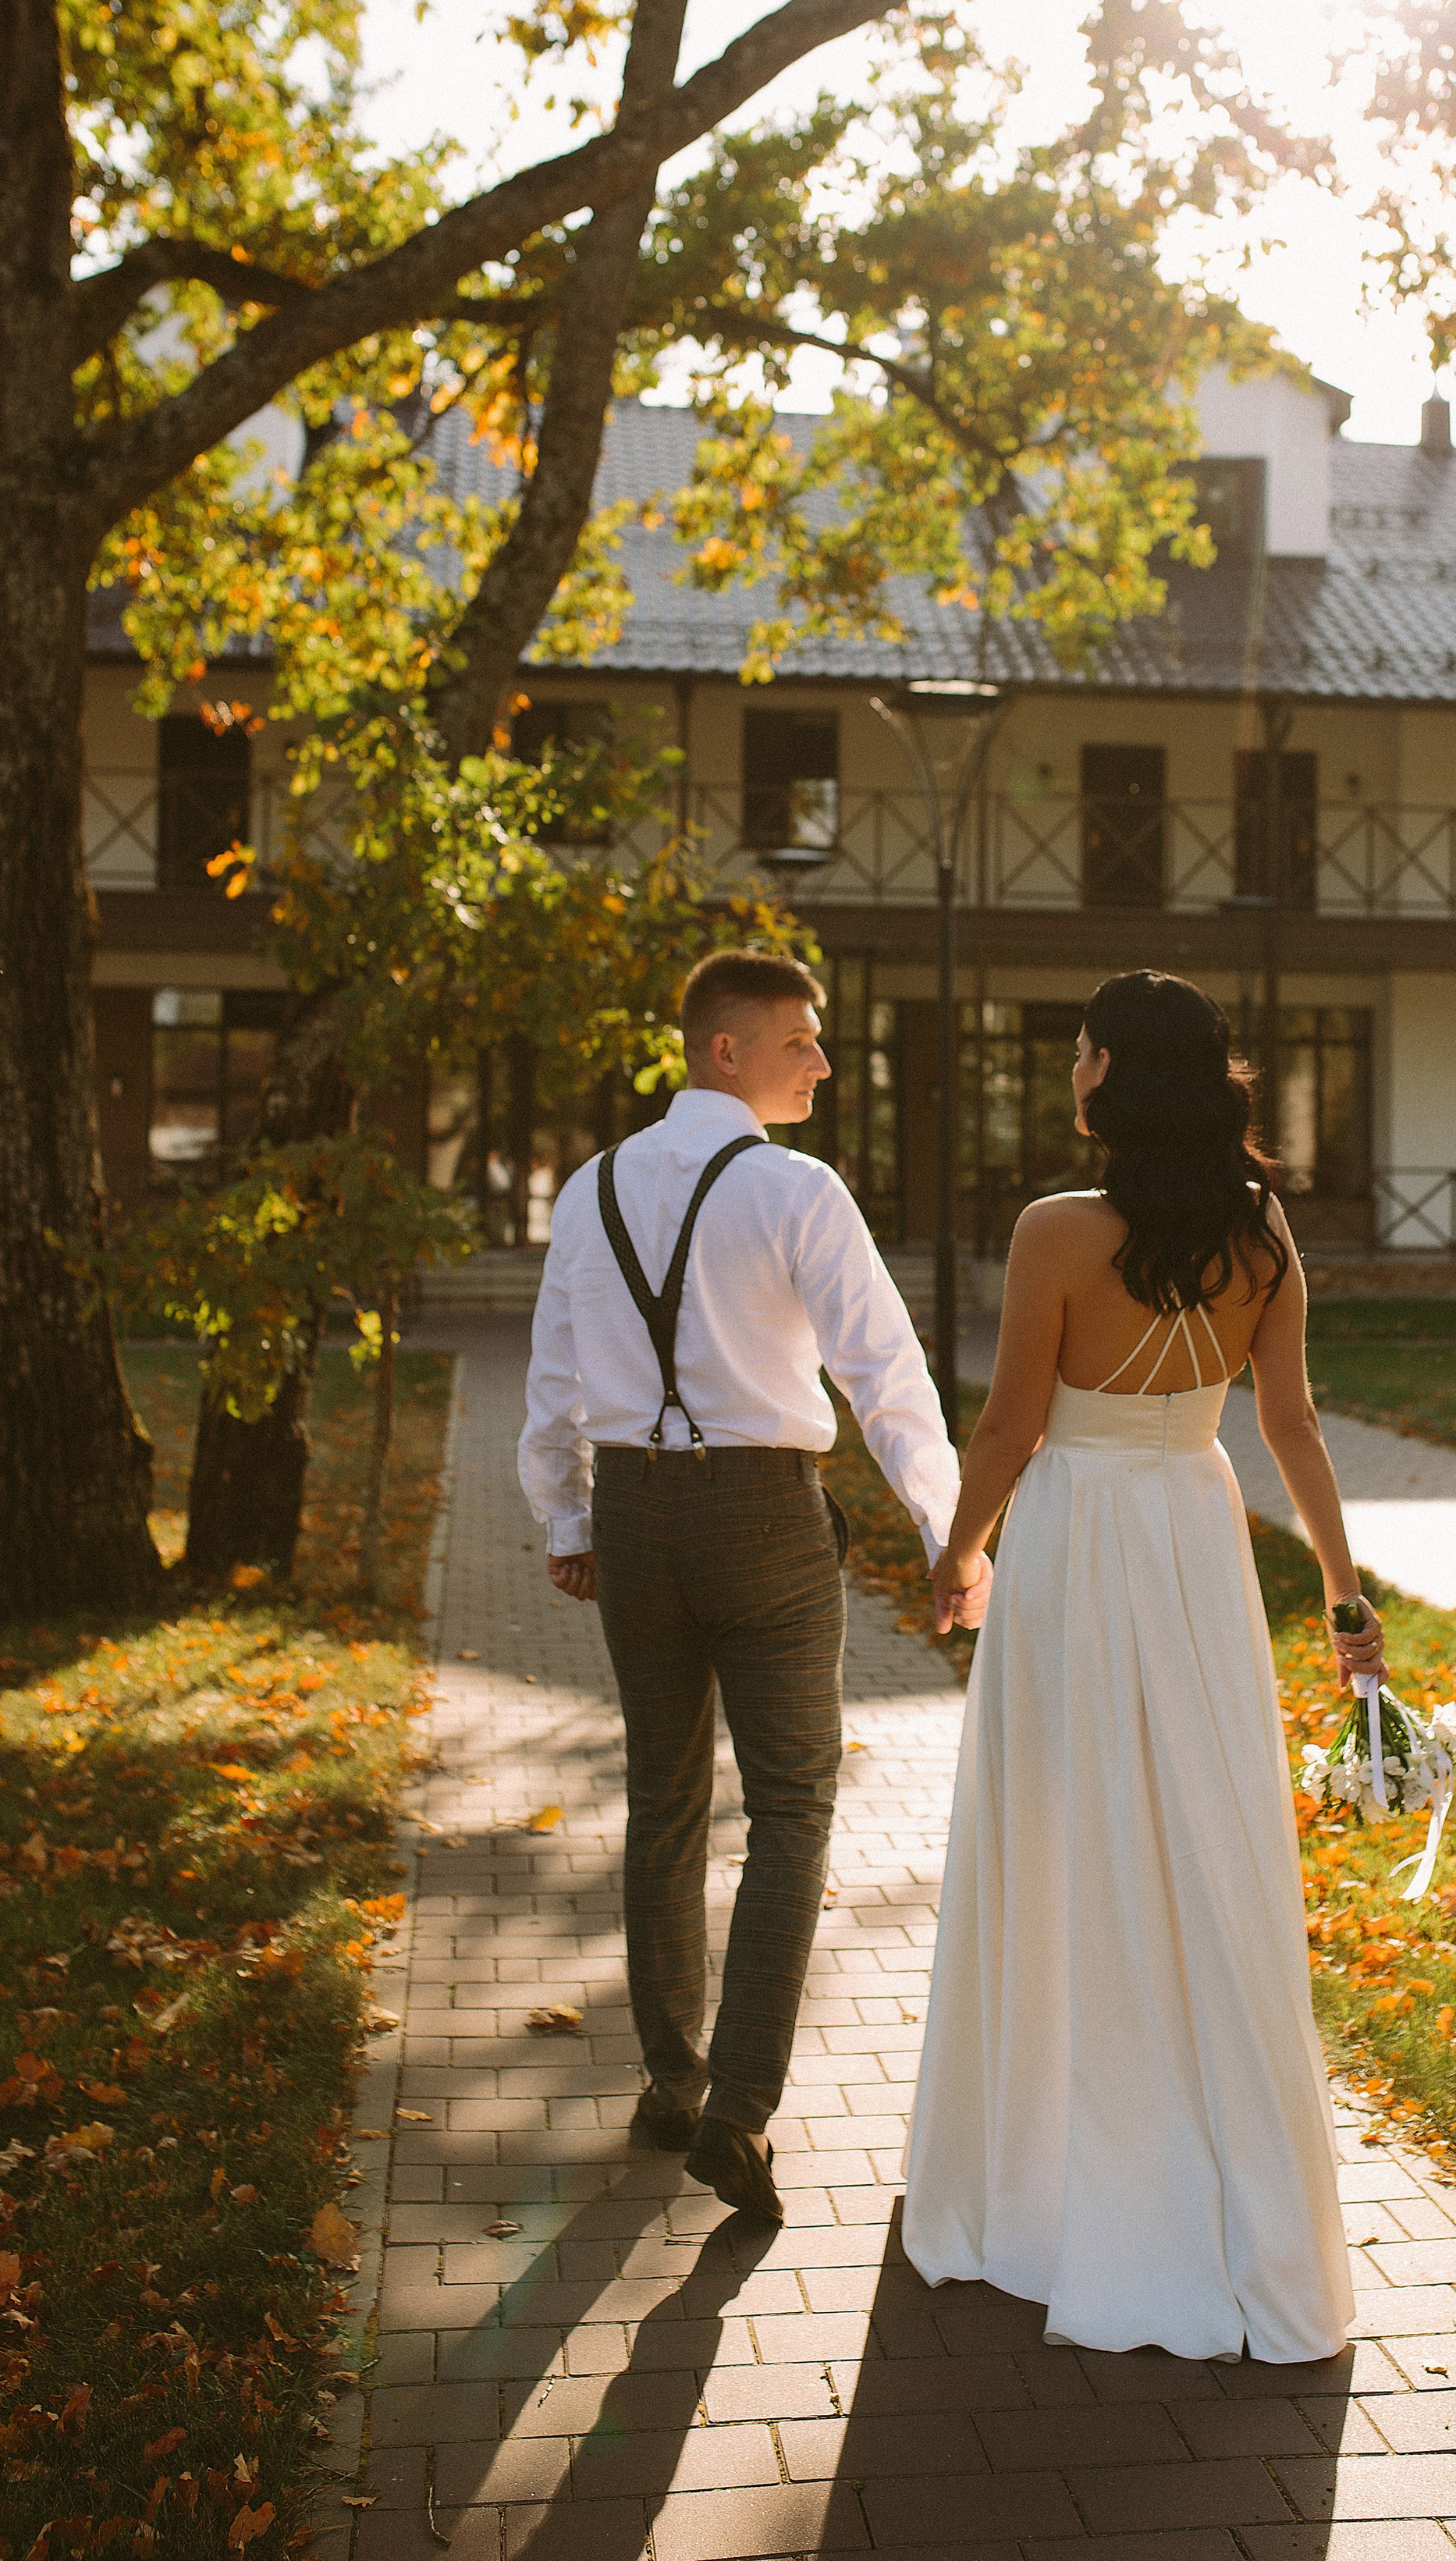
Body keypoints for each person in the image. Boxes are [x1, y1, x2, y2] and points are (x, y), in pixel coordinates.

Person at [902, 968, 1386, 2361]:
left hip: (1068, 1551)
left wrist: (955, 1552)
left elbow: (1005, 1431)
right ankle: (1224, 2193)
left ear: (1115, 1072)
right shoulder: (1267, 1238)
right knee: (1203, 1848)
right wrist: (1345, 1597)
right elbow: (1290, 1427)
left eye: (1079, 1050)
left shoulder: (1055, 1231)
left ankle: (1046, 2181)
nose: (1071, 1069)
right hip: (1194, 1535)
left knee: (1056, 1839)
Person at [519, 949, 957, 2225]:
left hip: (636, 1514)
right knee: (791, 1809)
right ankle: (738, 2115)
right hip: (765, 1515)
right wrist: (948, 1531)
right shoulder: (797, 1191)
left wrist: (562, 1513)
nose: (822, 1062)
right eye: (800, 1041)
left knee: (661, 1797)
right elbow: (886, 1372)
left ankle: (672, 2082)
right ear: (726, 1049)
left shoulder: (590, 1188)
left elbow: (554, 1372)